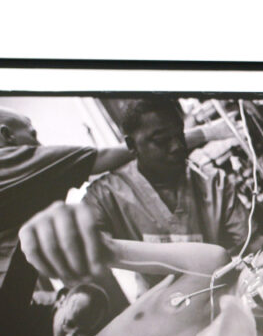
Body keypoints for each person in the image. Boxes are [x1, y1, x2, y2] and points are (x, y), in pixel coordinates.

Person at [0, 106, 137, 336]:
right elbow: (106, 157)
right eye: (32, 135)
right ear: (7, 135)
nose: (39, 144)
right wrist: (206, 133)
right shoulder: (5, 161)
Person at [80, 97, 253, 292]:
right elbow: (84, 244)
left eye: (180, 136)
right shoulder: (107, 194)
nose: (177, 146)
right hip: (159, 308)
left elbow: (251, 243)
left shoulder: (213, 183)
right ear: (131, 145)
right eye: (161, 141)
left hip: (220, 295)